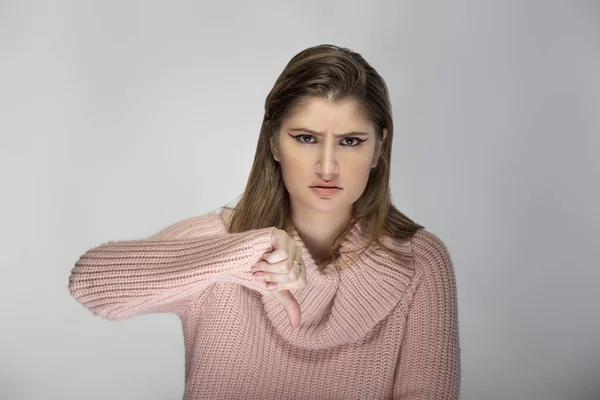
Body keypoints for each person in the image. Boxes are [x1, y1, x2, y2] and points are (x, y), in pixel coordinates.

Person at [68, 44, 461, 399]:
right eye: (306, 138)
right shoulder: (224, 239)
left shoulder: (419, 262)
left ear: (379, 149)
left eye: (351, 141)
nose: (327, 166)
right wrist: (247, 252)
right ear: (274, 142)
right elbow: (90, 284)